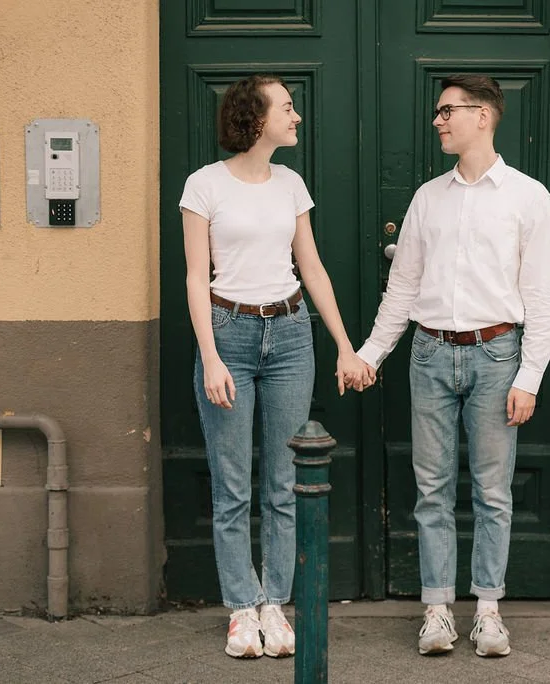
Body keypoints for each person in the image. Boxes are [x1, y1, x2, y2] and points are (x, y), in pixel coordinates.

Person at [353, 75, 550, 657]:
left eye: (447, 111)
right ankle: (438, 611)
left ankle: (489, 612)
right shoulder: (428, 197)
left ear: (484, 116)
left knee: (493, 491)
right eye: (438, 112)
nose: (438, 121)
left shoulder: (528, 197)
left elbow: (541, 298)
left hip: (498, 356)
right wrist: (372, 354)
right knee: (433, 489)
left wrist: (530, 377)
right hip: (430, 353)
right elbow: (403, 288)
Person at [179, 74, 367, 659]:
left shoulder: (290, 183)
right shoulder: (204, 185)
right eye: (287, 107)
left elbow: (311, 268)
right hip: (229, 334)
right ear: (255, 117)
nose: (297, 117)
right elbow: (194, 276)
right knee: (232, 484)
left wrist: (343, 344)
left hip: (290, 335)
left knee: (285, 483)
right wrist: (210, 356)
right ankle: (241, 608)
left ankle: (275, 606)